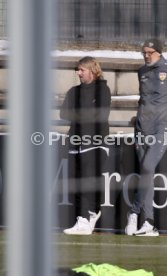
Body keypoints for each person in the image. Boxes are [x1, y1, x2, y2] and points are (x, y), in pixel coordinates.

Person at [125, 38, 167, 236]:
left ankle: (134, 212)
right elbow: (143, 100)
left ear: (159, 52)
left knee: (147, 167)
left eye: (150, 52)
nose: (146, 55)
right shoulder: (142, 72)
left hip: (163, 129)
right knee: (148, 175)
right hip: (142, 129)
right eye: (143, 52)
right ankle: (148, 223)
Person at [60, 56, 111, 235]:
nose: (78, 73)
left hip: (96, 141)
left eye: (82, 69)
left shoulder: (103, 90)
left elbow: (101, 115)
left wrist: (79, 114)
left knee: (87, 181)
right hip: (75, 140)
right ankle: (87, 216)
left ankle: (86, 217)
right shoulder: (74, 91)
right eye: (77, 69)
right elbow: (64, 113)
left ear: (92, 71)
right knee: (75, 181)